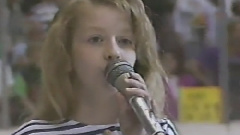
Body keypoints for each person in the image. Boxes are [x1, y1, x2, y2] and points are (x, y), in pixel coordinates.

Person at [13, 0, 178, 135]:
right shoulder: (34, 133)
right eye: (96, 39)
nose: (113, 52)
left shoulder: (159, 130)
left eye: (124, 41)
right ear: (66, 56)